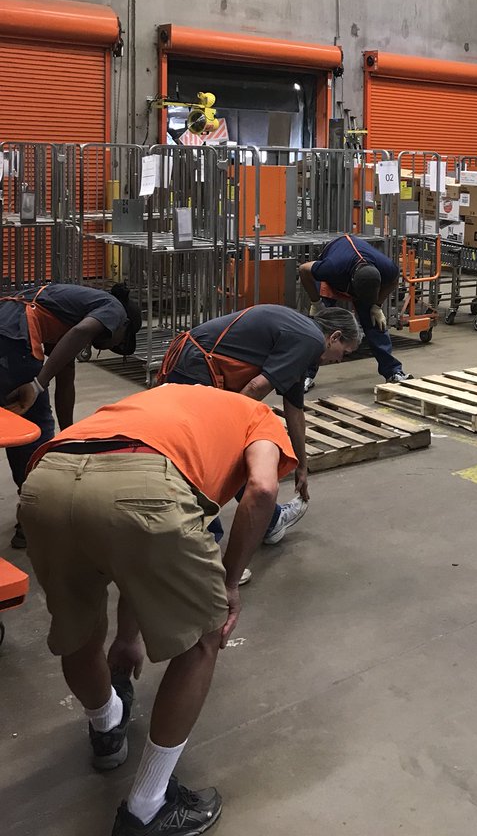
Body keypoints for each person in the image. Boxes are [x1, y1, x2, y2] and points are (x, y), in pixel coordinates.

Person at [19, 384, 297, 835]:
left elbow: (135, 552)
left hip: (46, 480)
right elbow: (263, 489)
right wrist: (229, 583)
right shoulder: (260, 418)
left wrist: (128, 638)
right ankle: (148, 806)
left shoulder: (163, 398)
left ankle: (106, 724)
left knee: (79, 630)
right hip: (147, 484)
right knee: (203, 639)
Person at [157, 304, 361, 551]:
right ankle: (203, 550)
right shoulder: (310, 340)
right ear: (335, 337)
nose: (340, 360)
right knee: (205, 456)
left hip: (194, 361)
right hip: (195, 366)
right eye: (345, 352)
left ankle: (269, 522)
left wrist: (302, 466)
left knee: (231, 450)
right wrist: (227, 430)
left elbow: (294, 409)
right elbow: (255, 388)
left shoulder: (305, 338)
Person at [0, 282, 141, 547]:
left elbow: (65, 378)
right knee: (34, 429)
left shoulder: (64, 312)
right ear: (120, 326)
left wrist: (70, 437)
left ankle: (32, 510)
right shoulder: (113, 308)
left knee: (11, 424)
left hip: (7, 331)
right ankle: (35, 516)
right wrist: (37, 383)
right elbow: (82, 330)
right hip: (15, 336)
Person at [299, 235, 411, 389]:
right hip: (333, 278)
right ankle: (306, 375)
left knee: (374, 322)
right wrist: (316, 302)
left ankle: (393, 372)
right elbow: (304, 270)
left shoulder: (386, 267)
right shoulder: (331, 267)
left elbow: (393, 280)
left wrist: (376, 305)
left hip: (360, 277)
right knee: (320, 328)